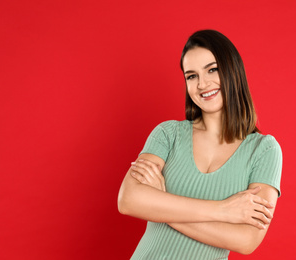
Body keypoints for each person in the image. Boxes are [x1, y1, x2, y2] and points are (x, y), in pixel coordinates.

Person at [117, 29, 282, 260]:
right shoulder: (167, 134)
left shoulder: (263, 150)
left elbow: (246, 240)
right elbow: (128, 200)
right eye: (191, 76)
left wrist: (162, 206)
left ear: (232, 70)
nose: (203, 84)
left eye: (212, 70)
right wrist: (223, 210)